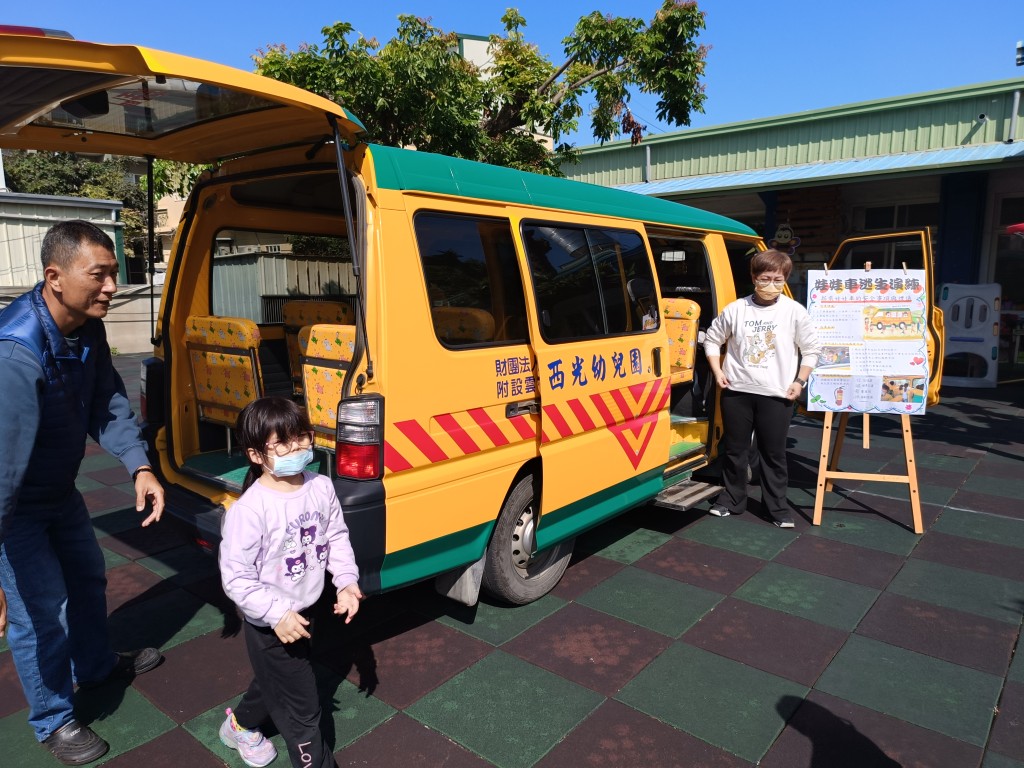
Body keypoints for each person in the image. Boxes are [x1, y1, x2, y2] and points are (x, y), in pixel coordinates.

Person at [0, 220, 165, 765]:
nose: (111, 286)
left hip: (57, 490)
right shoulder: (15, 354)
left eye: (114, 273)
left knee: (88, 579)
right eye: (99, 275)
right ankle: (53, 718)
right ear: (55, 277)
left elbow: (106, 402)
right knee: (39, 611)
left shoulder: (87, 328)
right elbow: (2, 470)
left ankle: (94, 665)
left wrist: (139, 465)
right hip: (13, 506)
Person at [219, 396, 362, 768]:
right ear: (256, 455)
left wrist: (346, 581)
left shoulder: (320, 487)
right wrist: (276, 613)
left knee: (277, 680)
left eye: (301, 436)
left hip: (306, 610)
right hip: (270, 624)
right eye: (282, 443)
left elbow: (335, 536)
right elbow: (237, 577)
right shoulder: (250, 510)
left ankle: (240, 724)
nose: (297, 447)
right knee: (303, 710)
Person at [703, 249, 821, 528]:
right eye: (766, 278)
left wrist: (799, 381)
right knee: (735, 450)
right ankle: (732, 500)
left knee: (774, 453)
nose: (771, 284)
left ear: (785, 279)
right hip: (737, 391)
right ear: (754, 277)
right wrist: (718, 371)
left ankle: (776, 508)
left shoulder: (794, 311)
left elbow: (812, 349)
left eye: (778, 280)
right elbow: (712, 339)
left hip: (778, 394)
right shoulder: (736, 309)